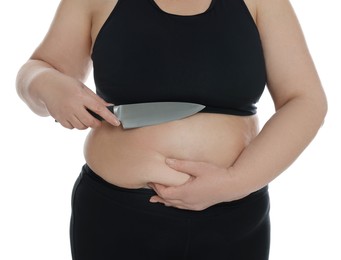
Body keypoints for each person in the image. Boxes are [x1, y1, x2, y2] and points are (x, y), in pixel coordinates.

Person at [16, 0, 327, 259]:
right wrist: (45, 83)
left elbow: (306, 101)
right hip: (116, 217)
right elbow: (37, 69)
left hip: (234, 215)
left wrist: (236, 181)